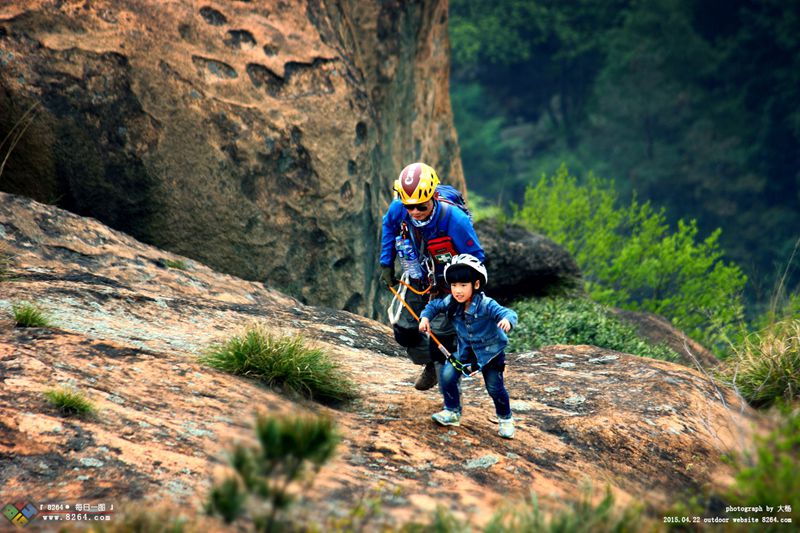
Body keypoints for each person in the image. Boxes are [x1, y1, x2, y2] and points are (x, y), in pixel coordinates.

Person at [380, 162, 484, 390]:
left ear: (433, 197)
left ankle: (449, 392)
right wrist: (386, 263)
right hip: (417, 276)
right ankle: (429, 362)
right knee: (403, 329)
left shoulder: (454, 219)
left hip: (449, 284)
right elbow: (388, 224)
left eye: (421, 206)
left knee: (441, 335)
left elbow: (476, 256)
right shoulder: (399, 209)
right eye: (410, 206)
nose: (415, 212)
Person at [418, 254, 517, 439]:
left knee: (494, 388)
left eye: (463, 285)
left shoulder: (486, 304)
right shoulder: (452, 303)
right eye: (454, 285)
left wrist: (507, 321)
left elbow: (508, 312)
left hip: (491, 354)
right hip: (465, 352)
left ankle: (505, 419)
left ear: (476, 285)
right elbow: (434, 306)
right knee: (447, 376)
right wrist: (425, 318)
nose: (458, 290)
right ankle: (452, 411)